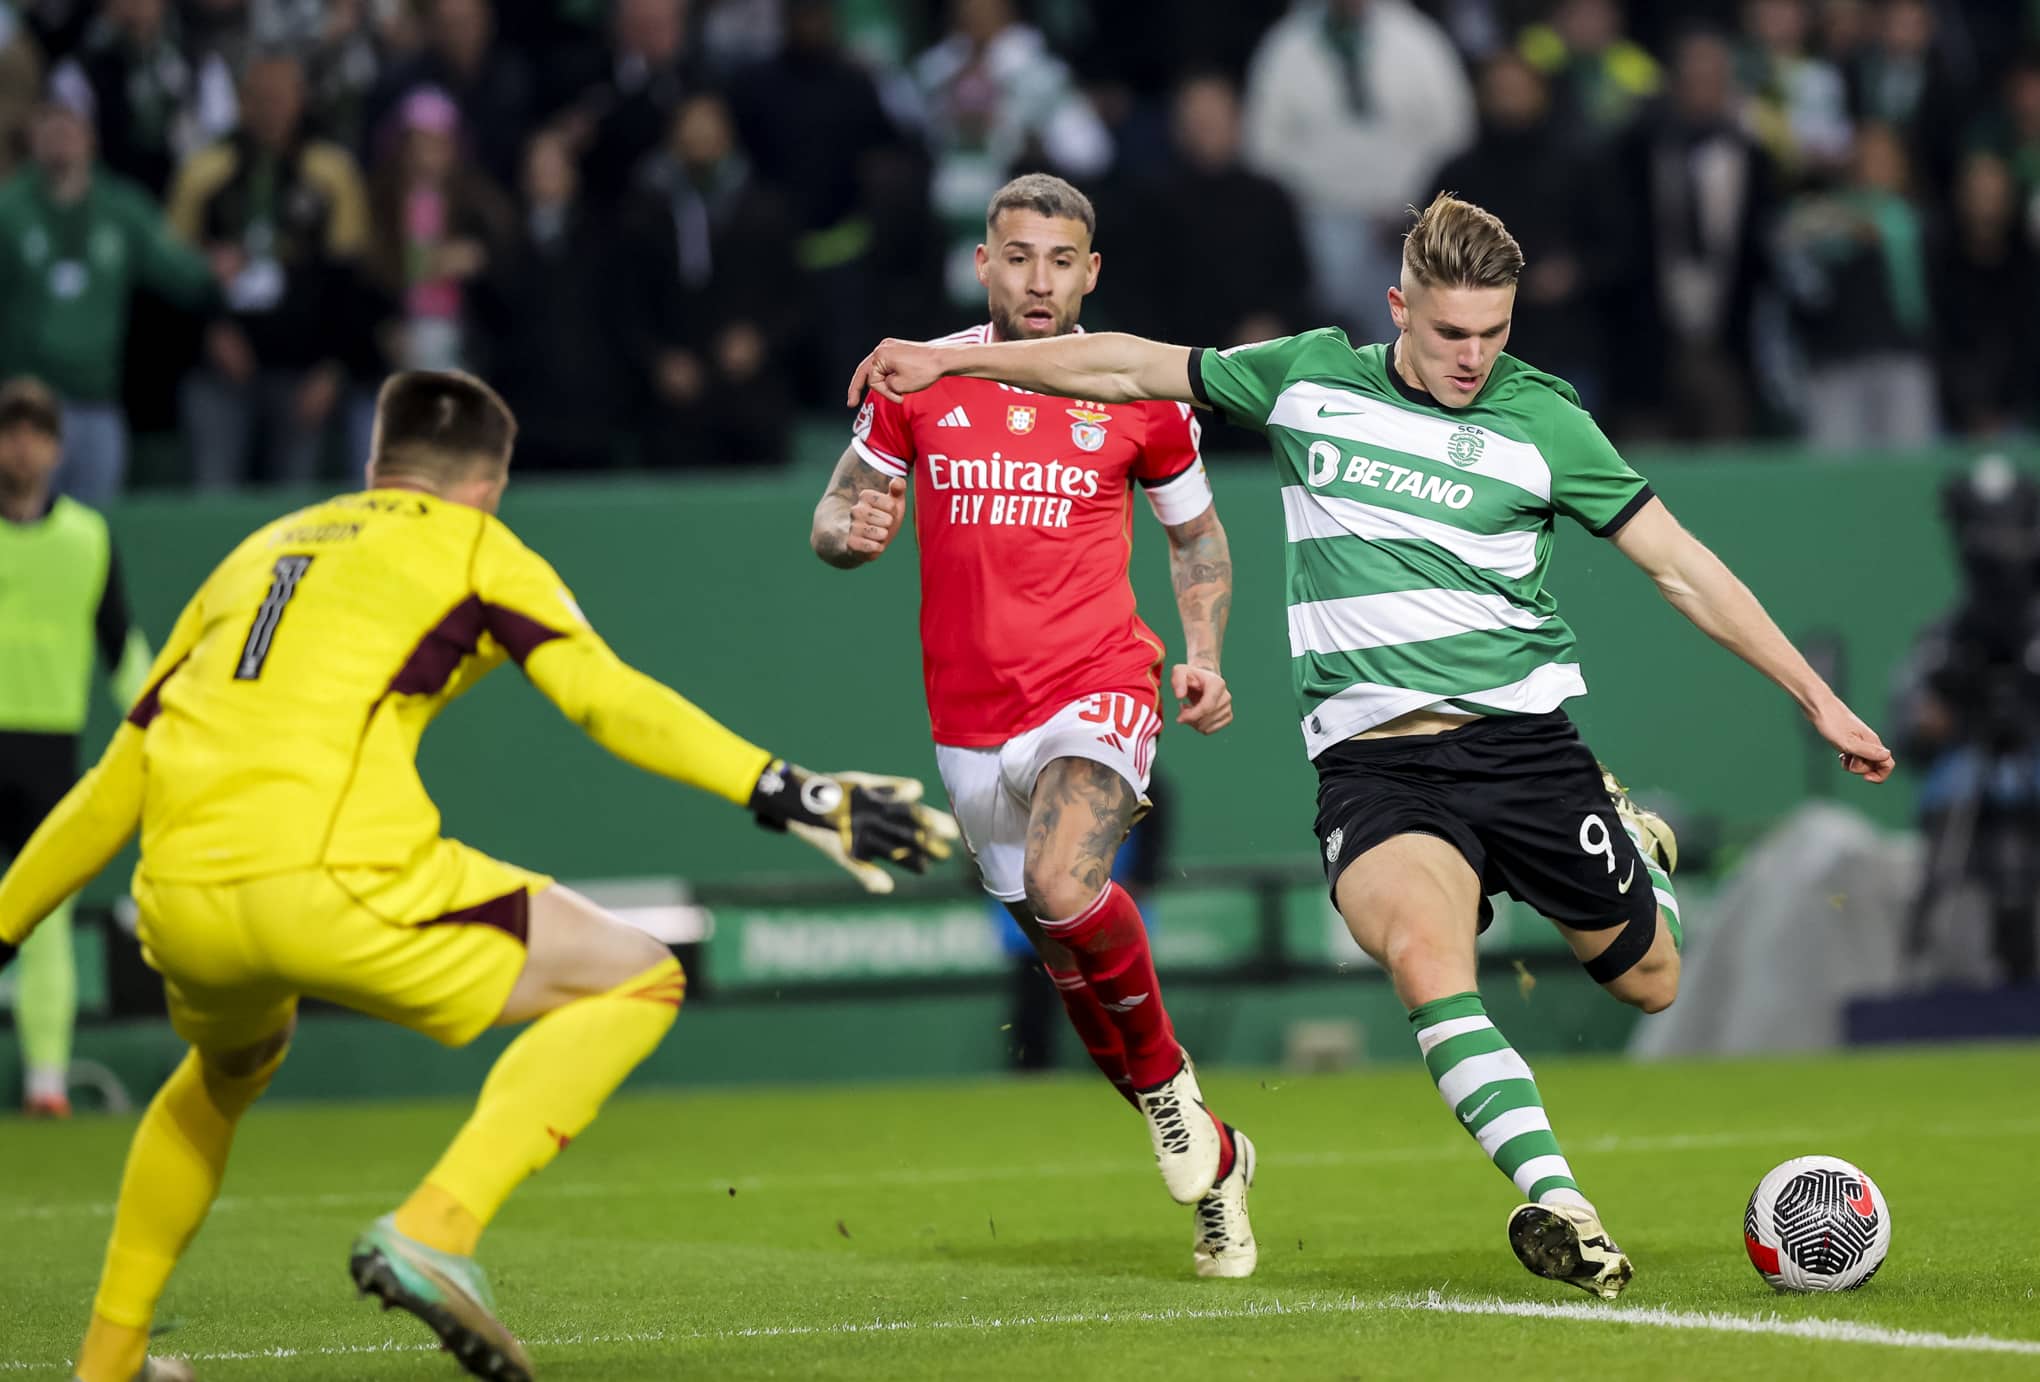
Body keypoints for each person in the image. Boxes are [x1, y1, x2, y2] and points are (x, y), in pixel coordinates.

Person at [847, 191, 1895, 1300]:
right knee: (1425, 963)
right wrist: (951, 365)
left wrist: (1816, 696)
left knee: (1650, 981)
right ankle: (1560, 1201)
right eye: (1450, 332)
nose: (1473, 356)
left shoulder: (1545, 420)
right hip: (1376, 766)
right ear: (1399, 306)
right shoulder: (1309, 378)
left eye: (1494, 332)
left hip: (1525, 748)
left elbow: (1680, 563)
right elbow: (1123, 366)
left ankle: (1645, 849)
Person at [0, 369, 956, 1382]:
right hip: (333, 872)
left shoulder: (257, 551)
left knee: (225, 1071)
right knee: (638, 971)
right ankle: (434, 1226)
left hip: (180, 893)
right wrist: (795, 792)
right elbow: (607, 699)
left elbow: (116, 779)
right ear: (488, 484)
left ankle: (107, 1362)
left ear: (378, 463)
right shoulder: (476, 546)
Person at [810, 173, 1259, 1280]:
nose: (1041, 280)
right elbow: (831, 513)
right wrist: (848, 533)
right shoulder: (916, 379)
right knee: (1070, 969)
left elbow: (1196, 538)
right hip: (968, 723)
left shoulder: (1139, 390)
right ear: (984, 262)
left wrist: (1201, 657)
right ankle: (1211, 1143)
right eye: (1020, 257)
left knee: (1067, 885)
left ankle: (1171, 1108)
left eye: (1062, 262)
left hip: (1101, 682)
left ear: (1092, 272)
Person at [0, 377, 152, 1117]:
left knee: (45, 920)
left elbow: (122, 647)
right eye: (10, 431)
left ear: (58, 449)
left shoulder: (88, 538)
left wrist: (169, 728)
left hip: (48, 755)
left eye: (35, 433)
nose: (21, 447)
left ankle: (46, 1084)